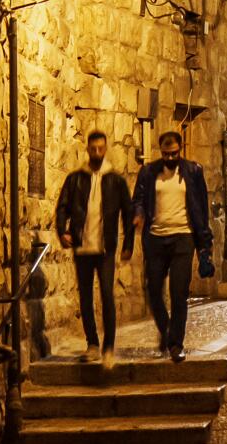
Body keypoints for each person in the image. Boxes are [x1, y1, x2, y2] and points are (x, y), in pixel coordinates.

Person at [130, 130, 212, 361]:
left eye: (174, 153)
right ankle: (166, 330)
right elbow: (138, 199)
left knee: (178, 293)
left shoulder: (193, 171)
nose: (169, 158)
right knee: (154, 290)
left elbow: (201, 209)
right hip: (156, 239)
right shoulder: (148, 173)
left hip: (183, 238)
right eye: (166, 154)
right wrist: (138, 214)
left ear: (180, 149)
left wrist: (204, 243)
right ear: (161, 152)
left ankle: (176, 344)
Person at [53, 129, 131, 363]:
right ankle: (92, 344)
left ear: (105, 149)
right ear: (87, 149)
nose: (97, 152)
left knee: (107, 294)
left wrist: (128, 244)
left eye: (100, 148)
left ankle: (109, 347)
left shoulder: (115, 181)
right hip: (82, 245)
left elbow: (127, 214)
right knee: (85, 296)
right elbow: (62, 207)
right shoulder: (75, 178)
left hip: (105, 247)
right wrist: (62, 231)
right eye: (93, 148)